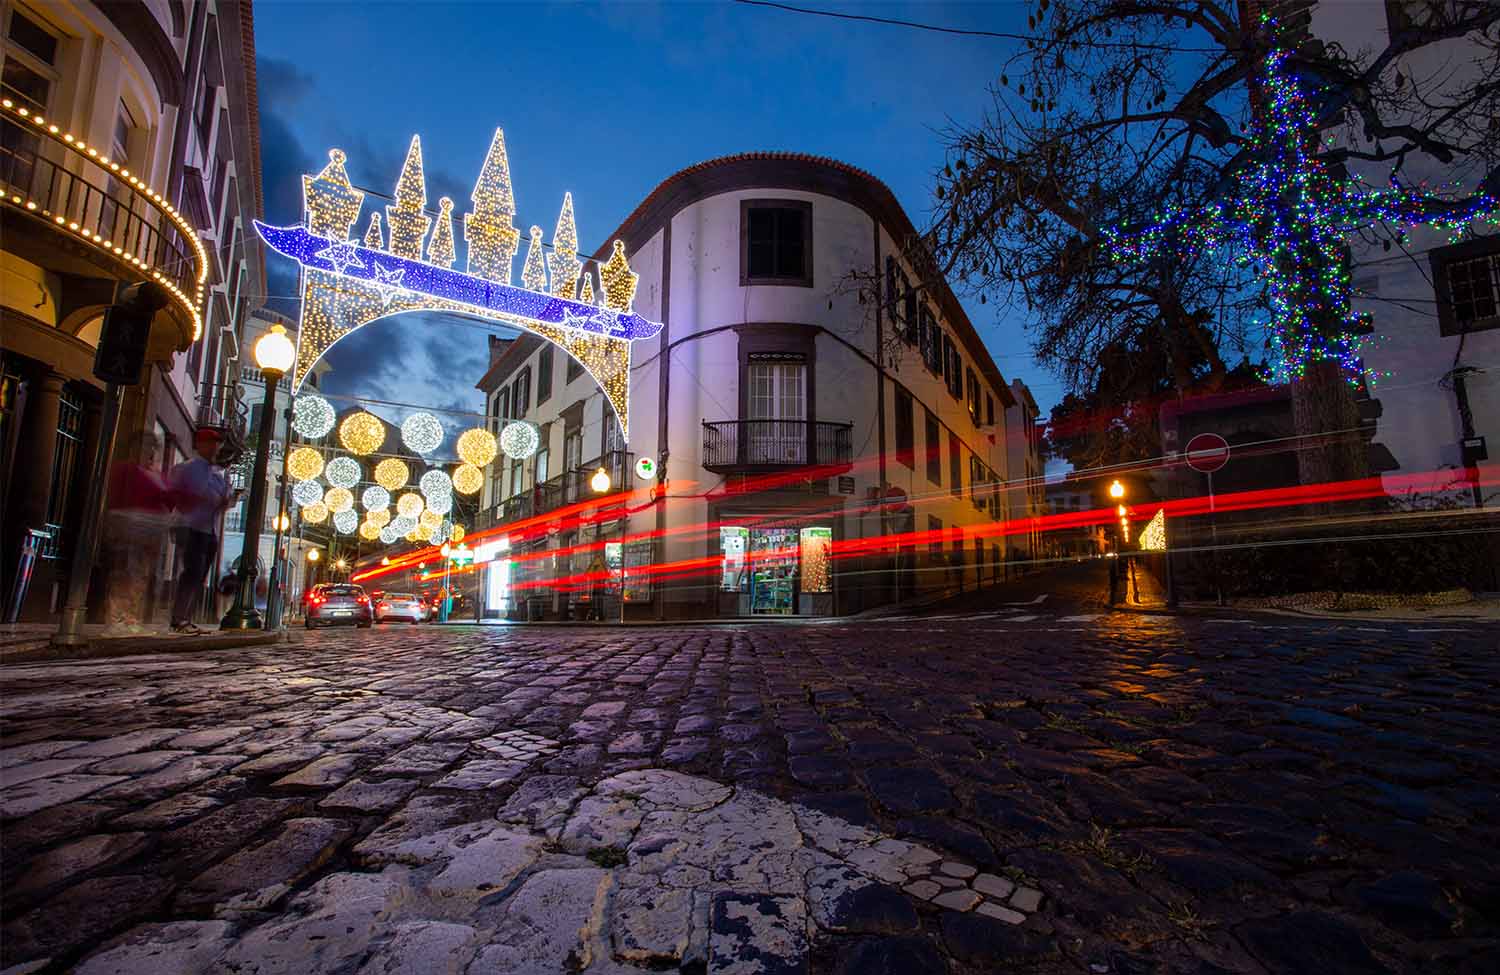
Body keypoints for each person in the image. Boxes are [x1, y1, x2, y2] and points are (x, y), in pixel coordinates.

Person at [168, 428, 240, 634]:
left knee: (200, 575)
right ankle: (179, 618)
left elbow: (223, 502)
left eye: (217, 444)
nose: (215, 448)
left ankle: (185, 617)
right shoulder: (187, 468)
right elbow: (178, 494)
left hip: (211, 530)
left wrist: (229, 500)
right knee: (192, 572)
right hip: (191, 526)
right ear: (200, 444)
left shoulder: (218, 475)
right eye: (211, 443)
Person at [101, 431, 171, 634]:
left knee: (139, 577)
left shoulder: (153, 474)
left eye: (152, 446)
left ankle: (130, 619)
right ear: (134, 447)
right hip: (128, 530)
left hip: (148, 534)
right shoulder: (124, 470)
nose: (149, 450)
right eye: (145, 445)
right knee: (125, 574)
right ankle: (116, 620)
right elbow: (116, 499)